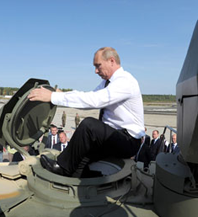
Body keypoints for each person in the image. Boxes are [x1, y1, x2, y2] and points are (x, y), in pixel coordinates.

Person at [28, 47, 145, 177]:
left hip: (127, 140)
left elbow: (94, 100)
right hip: (113, 136)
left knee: (88, 125)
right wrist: (60, 94)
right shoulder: (108, 83)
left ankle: (62, 167)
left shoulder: (125, 81)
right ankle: (80, 178)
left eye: (98, 66)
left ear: (111, 61)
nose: (96, 71)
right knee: (82, 157)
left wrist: (53, 97)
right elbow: (88, 96)